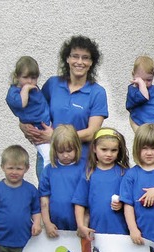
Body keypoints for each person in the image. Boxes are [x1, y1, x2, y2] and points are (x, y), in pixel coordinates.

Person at [20, 35, 108, 168]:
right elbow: (33, 110)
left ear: (91, 63)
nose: (79, 61)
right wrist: (24, 125)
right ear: (67, 58)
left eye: (85, 57)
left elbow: (92, 132)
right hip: (49, 158)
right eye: (75, 56)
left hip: (80, 161)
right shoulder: (52, 84)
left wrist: (56, 136)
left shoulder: (97, 92)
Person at [72, 128, 130, 239]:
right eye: (104, 149)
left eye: (114, 150)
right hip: (96, 232)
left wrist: (122, 204)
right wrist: (80, 225)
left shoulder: (124, 173)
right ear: (94, 148)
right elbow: (79, 202)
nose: (109, 154)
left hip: (121, 233)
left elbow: (131, 201)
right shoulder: (89, 174)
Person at [39, 125, 85, 237]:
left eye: (69, 150)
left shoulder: (84, 168)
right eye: (60, 151)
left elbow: (88, 197)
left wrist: (84, 224)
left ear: (77, 147)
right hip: (55, 225)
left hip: (79, 224)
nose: (65, 155)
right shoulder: (49, 170)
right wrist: (47, 222)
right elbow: (44, 198)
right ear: (54, 150)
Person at [6, 55, 52, 166]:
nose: (30, 81)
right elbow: (22, 103)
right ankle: (47, 177)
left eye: (34, 78)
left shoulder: (33, 87)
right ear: (17, 76)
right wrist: (25, 89)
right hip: (37, 130)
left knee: (55, 154)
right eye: (26, 77)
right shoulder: (14, 93)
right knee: (48, 156)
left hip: (48, 125)